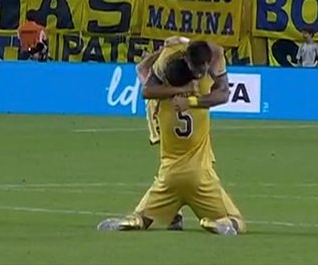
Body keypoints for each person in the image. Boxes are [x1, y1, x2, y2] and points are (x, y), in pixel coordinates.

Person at [99, 40, 245, 235]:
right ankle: (223, 223)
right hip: (200, 177)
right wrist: (191, 99)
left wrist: (163, 56)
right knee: (238, 221)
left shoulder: (162, 95)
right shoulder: (201, 91)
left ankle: (139, 219)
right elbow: (222, 94)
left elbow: (145, 81)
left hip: (169, 176)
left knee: (142, 215)